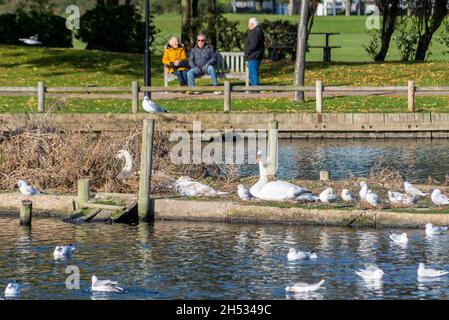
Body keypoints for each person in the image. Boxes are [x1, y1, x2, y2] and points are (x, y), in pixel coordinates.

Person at [244, 17, 265, 88]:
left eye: (249, 24)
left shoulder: (256, 31)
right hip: (255, 56)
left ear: (252, 24)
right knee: (252, 74)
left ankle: (256, 90)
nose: (248, 25)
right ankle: (254, 89)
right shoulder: (257, 30)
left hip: (254, 56)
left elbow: (253, 45)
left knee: (253, 74)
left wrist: (247, 51)